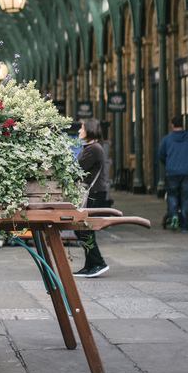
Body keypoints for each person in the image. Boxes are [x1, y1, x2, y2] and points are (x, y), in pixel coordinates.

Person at [73, 118, 109, 278]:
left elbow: (77, 169)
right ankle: (90, 265)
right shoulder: (91, 147)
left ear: (89, 130)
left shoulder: (93, 149)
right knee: (83, 229)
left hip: (93, 194)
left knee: (84, 229)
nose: (79, 131)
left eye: (82, 128)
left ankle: (99, 262)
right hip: (94, 192)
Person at [158, 115, 188, 232]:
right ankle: (184, 224)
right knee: (187, 198)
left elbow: (161, 155)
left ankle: (173, 216)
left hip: (172, 172)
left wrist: (169, 163)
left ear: (172, 125)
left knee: (172, 195)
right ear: (183, 125)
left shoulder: (167, 139)